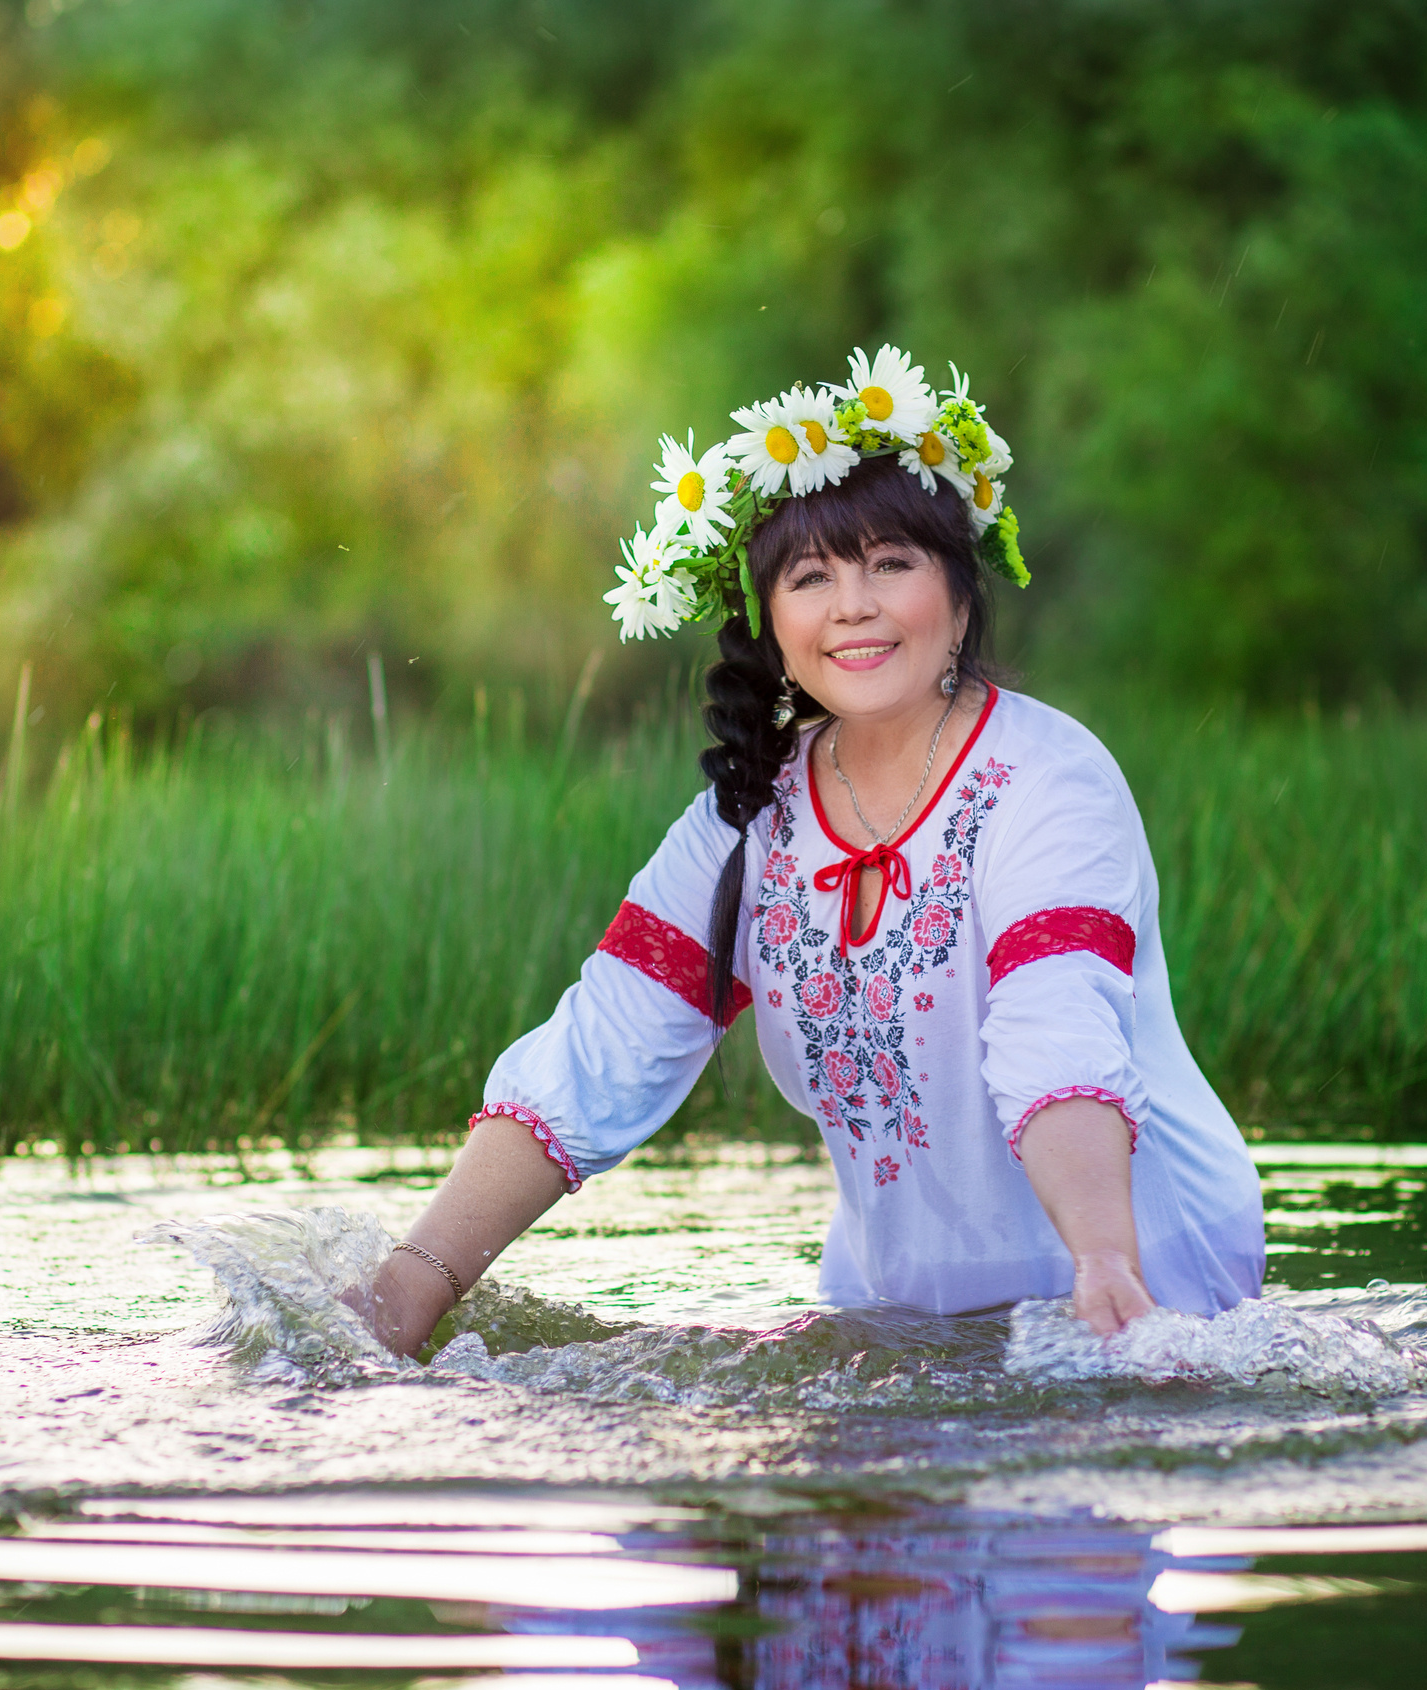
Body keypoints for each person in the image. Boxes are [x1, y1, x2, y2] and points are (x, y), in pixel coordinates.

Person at [358, 347, 1264, 1356]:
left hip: (1144, 1275)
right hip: (899, 1303)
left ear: (960, 596)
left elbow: (1055, 1029)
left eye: (891, 564)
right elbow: (598, 1050)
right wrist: (407, 1288)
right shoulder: (750, 813)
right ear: (770, 621)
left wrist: (1104, 1256)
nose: (852, 605)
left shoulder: (1047, 779)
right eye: (810, 576)